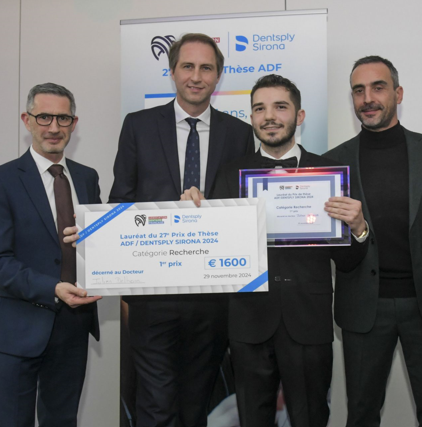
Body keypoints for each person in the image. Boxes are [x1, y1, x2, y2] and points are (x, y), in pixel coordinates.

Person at [197, 74, 369, 427]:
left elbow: (349, 262)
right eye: (260, 109)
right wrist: (195, 216)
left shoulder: (329, 173)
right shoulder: (230, 174)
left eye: (280, 107)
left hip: (308, 320)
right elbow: (213, 250)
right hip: (248, 322)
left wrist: (358, 228)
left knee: (311, 418)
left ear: (299, 116)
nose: (269, 116)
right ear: (251, 117)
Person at [108, 33, 255, 427]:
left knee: (195, 407)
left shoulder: (238, 133)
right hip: (152, 296)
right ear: (172, 71)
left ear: (218, 76)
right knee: (156, 406)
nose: (196, 76)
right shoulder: (138, 126)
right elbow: (120, 201)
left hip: (211, 300)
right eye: (187, 66)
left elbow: (244, 214)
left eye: (206, 68)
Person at [323, 56, 422, 427]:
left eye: (378, 87)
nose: (368, 98)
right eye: (358, 90)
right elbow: (334, 244)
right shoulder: (333, 162)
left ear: (398, 93)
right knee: (361, 413)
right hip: (363, 308)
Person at [0, 83, 102, 426]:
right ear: (27, 120)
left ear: (74, 123)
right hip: (16, 329)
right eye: (44, 117)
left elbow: (98, 244)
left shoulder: (87, 178)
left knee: (62, 421)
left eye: (63, 118)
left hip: (72, 328)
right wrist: (53, 288)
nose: (54, 127)